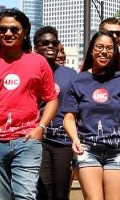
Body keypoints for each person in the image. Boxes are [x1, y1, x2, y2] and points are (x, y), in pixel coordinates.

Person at [0, 8, 59, 200]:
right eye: (2, 29)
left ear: (24, 33)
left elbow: (52, 99)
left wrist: (41, 127)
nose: (8, 33)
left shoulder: (38, 62)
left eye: (14, 29)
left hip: (27, 141)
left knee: (26, 196)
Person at [63, 29, 120, 200]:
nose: (104, 52)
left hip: (118, 150)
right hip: (87, 149)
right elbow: (69, 117)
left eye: (109, 48)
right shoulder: (78, 80)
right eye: (99, 47)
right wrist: (75, 139)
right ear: (91, 50)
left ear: (115, 53)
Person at [34, 26, 77, 200]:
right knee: (44, 191)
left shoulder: (71, 74)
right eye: (45, 43)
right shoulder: (31, 71)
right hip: (39, 140)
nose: (51, 46)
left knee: (61, 192)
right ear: (35, 47)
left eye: (54, 42)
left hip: (64, 141)